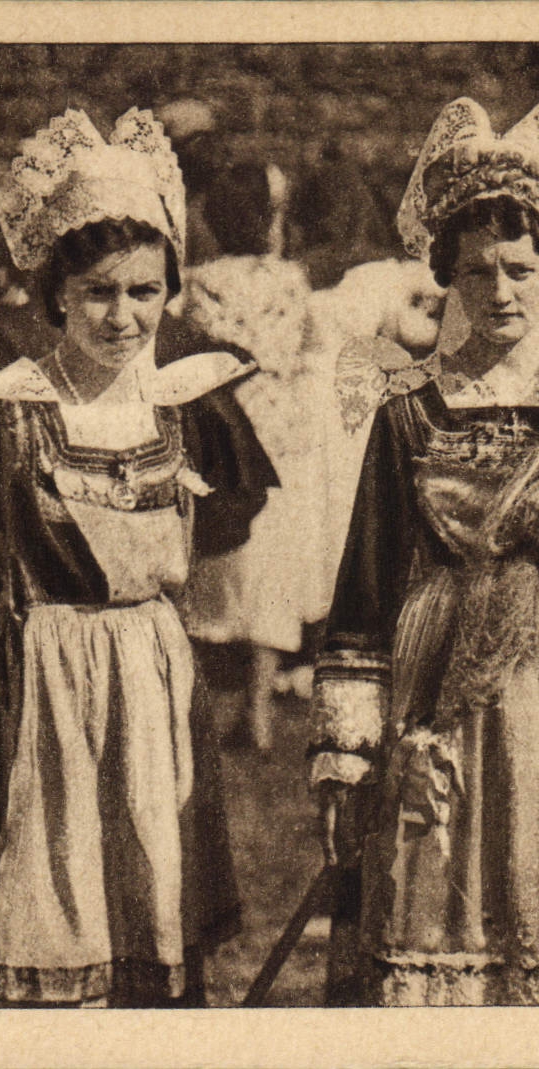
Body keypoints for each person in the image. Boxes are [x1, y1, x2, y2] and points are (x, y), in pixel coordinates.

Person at [0, 107, 273, 1006]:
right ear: (56, 290)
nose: (123, 314)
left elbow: (231, 510)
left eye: (144, 291)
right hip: (36, 693)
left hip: (150, 682)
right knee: (43, 909)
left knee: (147, 904)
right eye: (99, 290)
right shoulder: (4, 412)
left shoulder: (179, 403)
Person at [309, 98, 539, 1006]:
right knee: (444, 893)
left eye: (520, 269)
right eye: (477, 272)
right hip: (443, 691)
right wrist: (349, 754)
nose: (501, 292)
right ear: (447, 278)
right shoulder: (411, 410)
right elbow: (364, 583)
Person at [177, 161, 318, 747]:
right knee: (271, 574)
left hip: (224, 430)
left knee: (213, 560)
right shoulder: (292, 280)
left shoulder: (199, 283)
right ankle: (257, 710)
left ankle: (198, 709)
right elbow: (306, 345)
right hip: (282, 434)